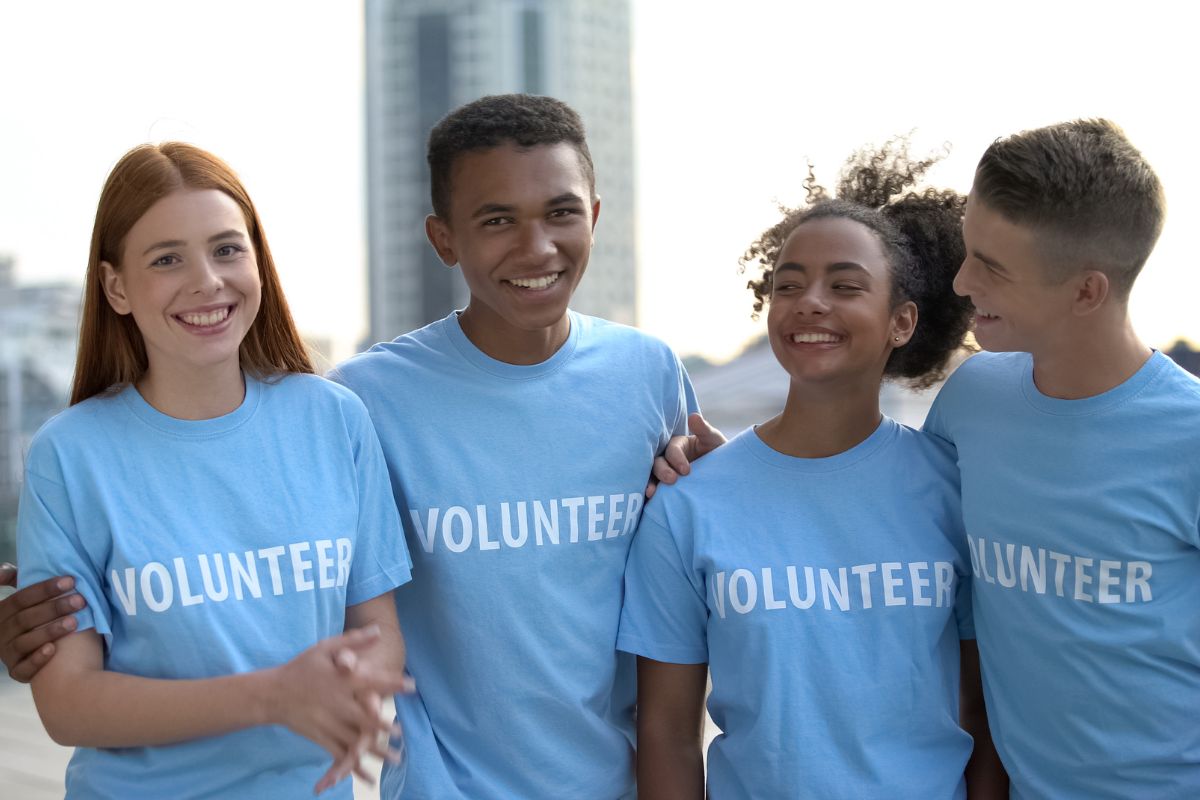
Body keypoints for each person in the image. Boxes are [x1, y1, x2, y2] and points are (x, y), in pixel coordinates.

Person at [327, 93, 698, 799]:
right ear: (444, 240)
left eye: (560, 212)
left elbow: (687, 573)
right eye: (498, 221)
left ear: (592, 215)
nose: (537, 248)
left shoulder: (649, 374)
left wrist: (714, 481)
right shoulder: (365, 399)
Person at [16, 142, 413, 798]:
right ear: (116, 286)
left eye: (228, 249)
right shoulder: (68, 455)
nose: (207, 280)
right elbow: (68, 703)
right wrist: (272, 697)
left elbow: (379, 634)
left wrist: (354, 682)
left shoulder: (335, 420)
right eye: (168, 258)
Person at [618, 142, 1006, 798]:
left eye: (845, 286)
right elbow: (666, 734)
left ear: (902, 321)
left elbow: (983, 717)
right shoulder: (689, 505)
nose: (810, 302)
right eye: (788, 284)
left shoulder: (953, 489)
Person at [922, 119, 1200, 797]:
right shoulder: (971, 403)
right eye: (968, 250)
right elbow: (879, 499)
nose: (960, 283)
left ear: (1086, 291)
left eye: (990, 267)